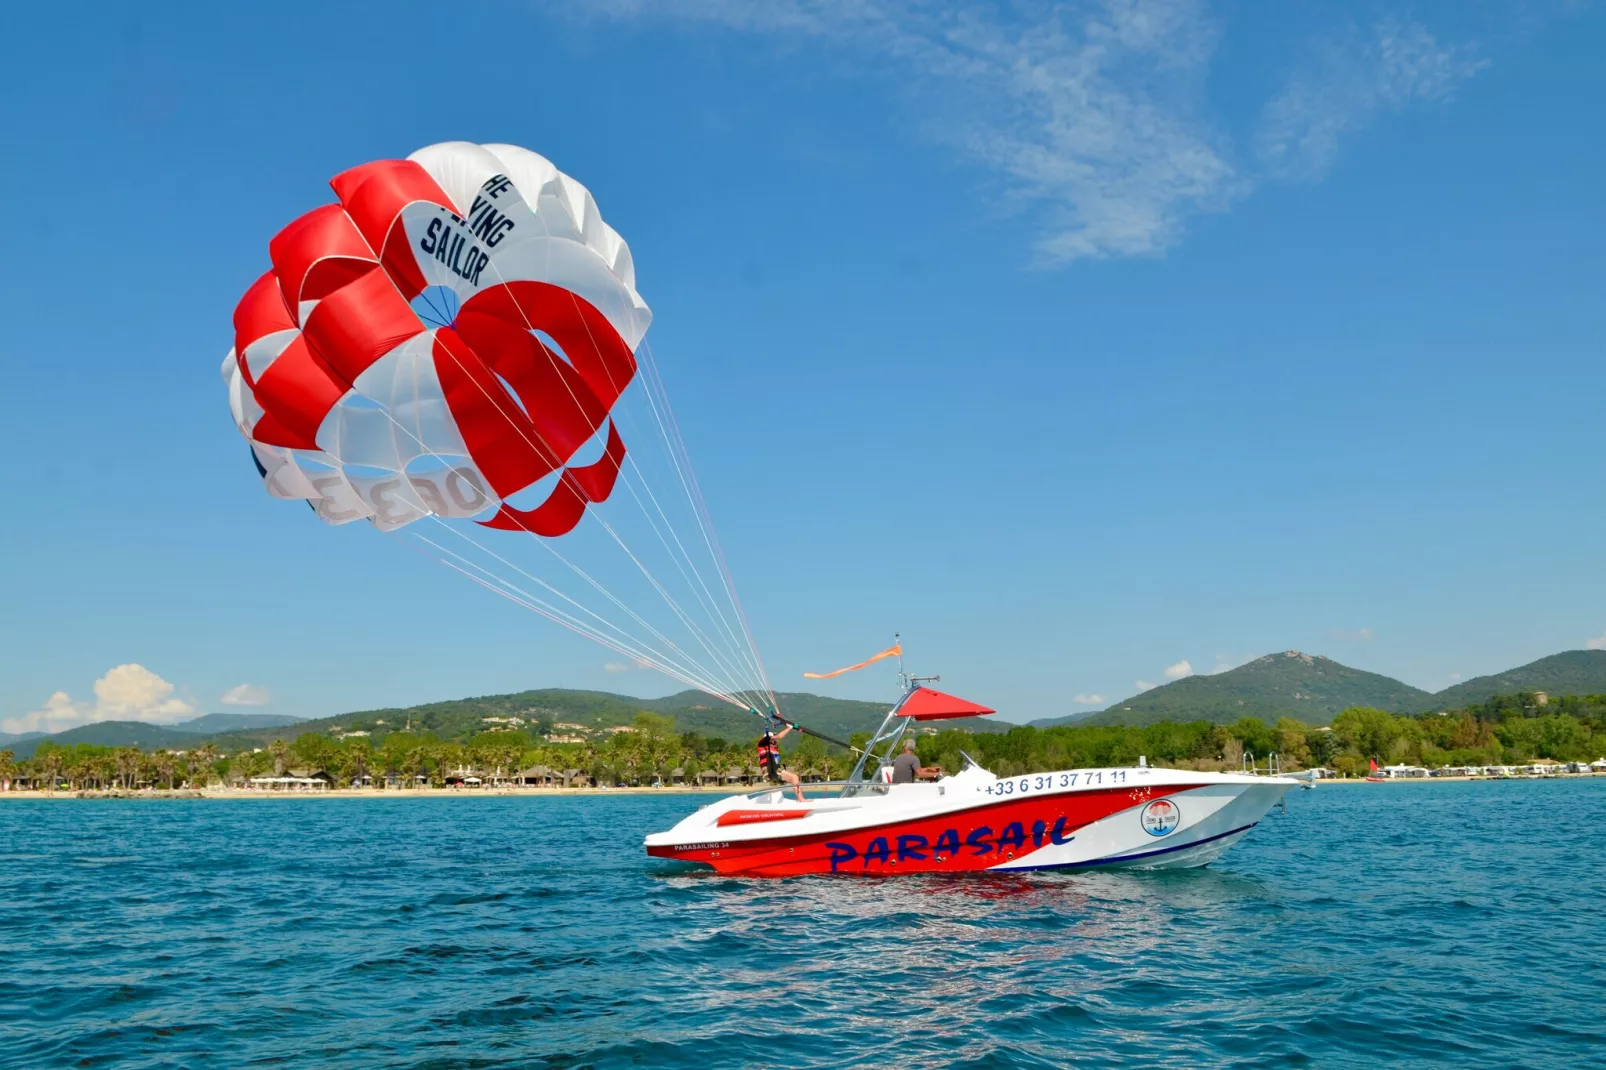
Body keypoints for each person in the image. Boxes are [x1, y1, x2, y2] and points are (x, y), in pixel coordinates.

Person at [757, 723, 805, 802]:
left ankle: (800, 799)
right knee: (794, 777)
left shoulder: (774, 748)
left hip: (776, 771)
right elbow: (778, 737)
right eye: (773, 739)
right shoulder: (762, 744)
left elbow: (778, 738)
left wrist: (787, 727)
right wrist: (789, 728)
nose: (776, 741)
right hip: (768, 771)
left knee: (795, 778)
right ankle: (801, 800)